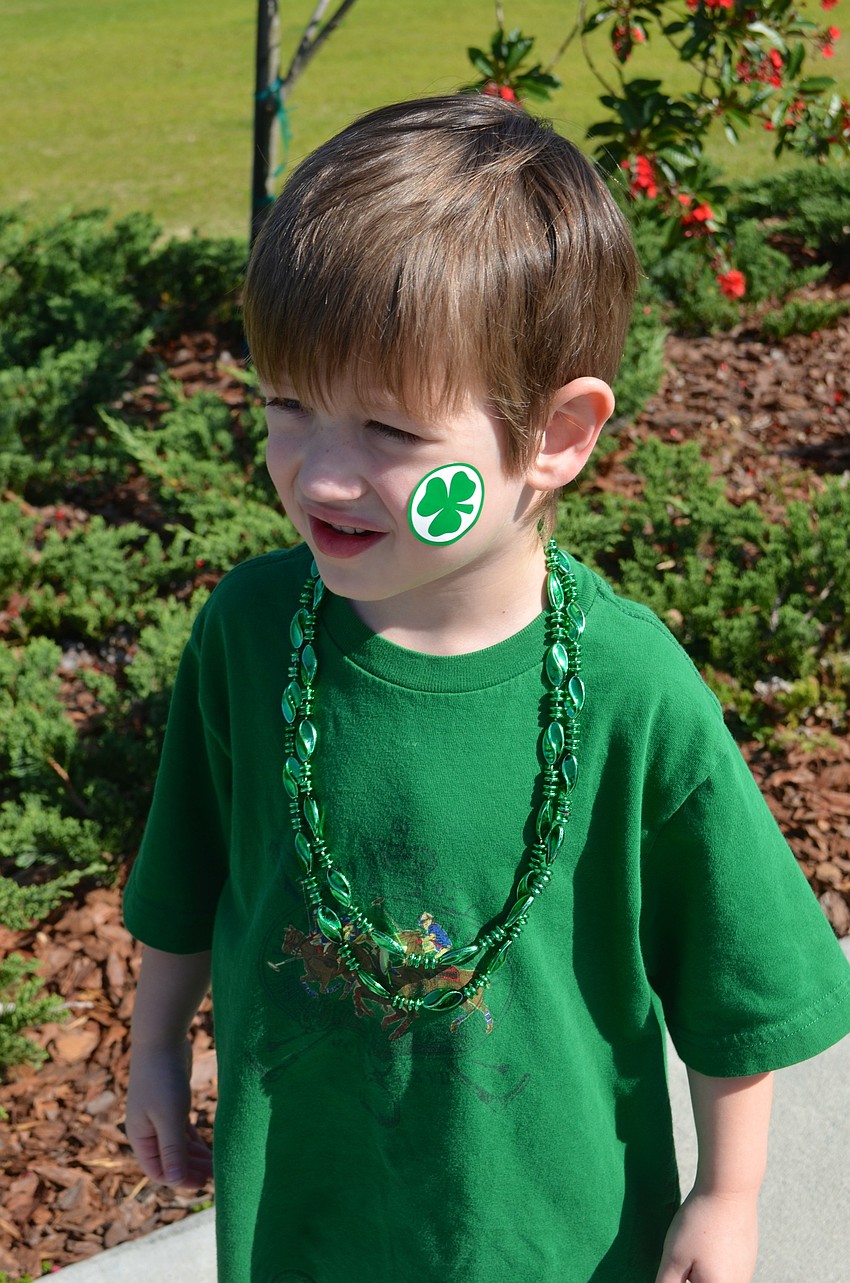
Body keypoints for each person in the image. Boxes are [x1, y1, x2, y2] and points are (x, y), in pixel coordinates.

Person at [123, 95, 850, 1283]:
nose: (321, 473)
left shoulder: (628, 688)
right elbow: (187, 866)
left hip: (553, 1237)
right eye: (288, 404)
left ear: (555, 434)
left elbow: (734, 973)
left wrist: (727, 1192)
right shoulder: (251, 635)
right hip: (308, 1218)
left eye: (389, 429)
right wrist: (155, 1045)